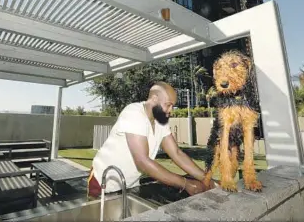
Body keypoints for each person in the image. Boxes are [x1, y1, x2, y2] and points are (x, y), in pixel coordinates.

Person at [87, 81, 217, 198]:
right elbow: (142, 162)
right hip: (103, 183)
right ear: (154, 99)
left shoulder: (160, 121)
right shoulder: (134, 113)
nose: (171, 110)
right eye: (168, 105)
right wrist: (186, 184)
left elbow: (177, 153)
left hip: (129, 184)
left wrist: (207, 179)